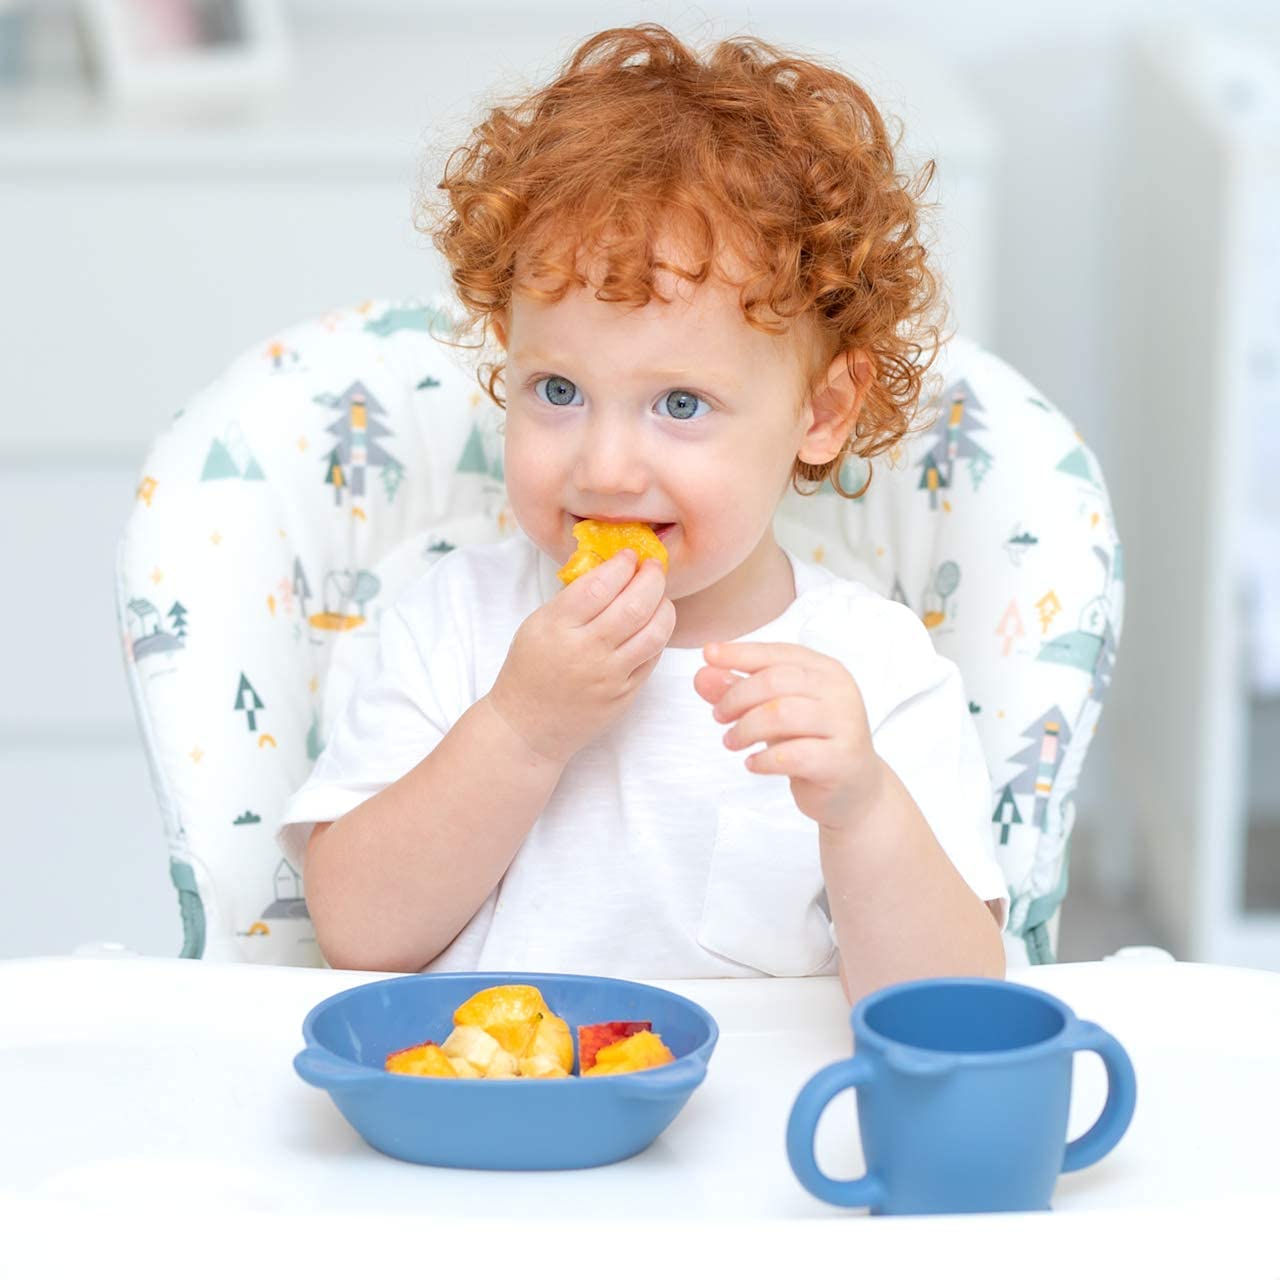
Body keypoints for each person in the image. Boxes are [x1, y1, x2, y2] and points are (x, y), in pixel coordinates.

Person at [276, 23, 1008, 1003]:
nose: (607, 469)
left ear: (822, 412)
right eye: (558, 391)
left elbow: (956, 1004)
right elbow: (358, 936)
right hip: (497, 1090)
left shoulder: (871, 673)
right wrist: (521, 729)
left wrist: (864, 810)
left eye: (680, 404)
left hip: (765, 1102)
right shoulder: (454, 624)